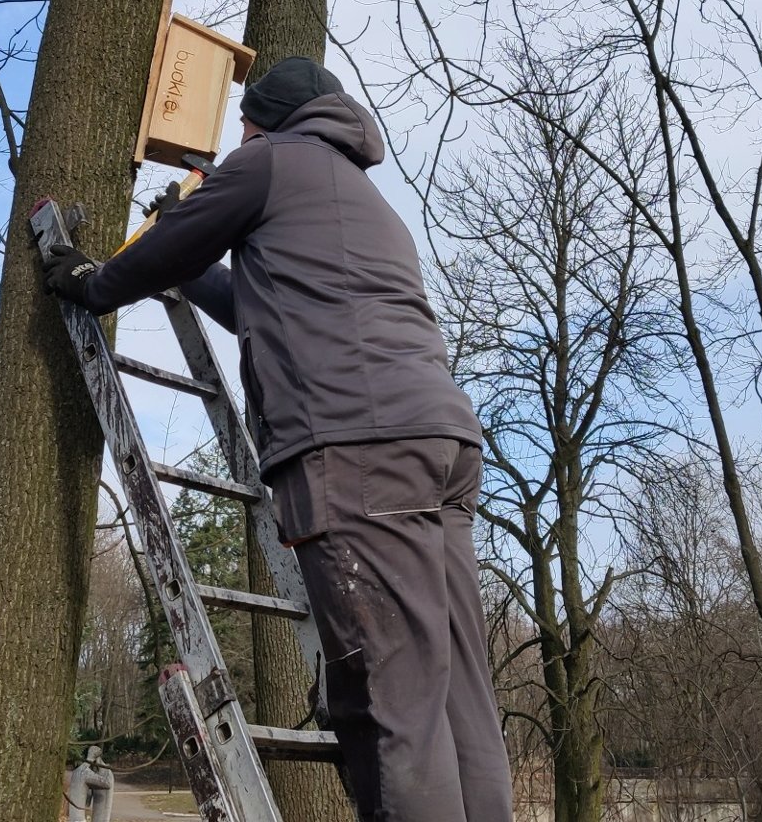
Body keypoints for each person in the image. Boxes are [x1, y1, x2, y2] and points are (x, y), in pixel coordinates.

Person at [43, 56, 513, 822]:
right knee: (459, 693)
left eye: (243, 125)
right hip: (441, 447)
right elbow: (262, 305)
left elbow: (172, 245)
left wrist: (93, 282)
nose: (237, 137)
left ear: (264, 119)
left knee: (394, 699)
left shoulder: (265, 162)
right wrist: (189, 261)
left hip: (358, 451)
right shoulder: (362, 198)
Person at [66, 745, 113, 822]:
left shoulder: (76, 772)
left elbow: (87, 802)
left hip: (73, 817)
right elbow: (107, 783)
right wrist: (104, 767)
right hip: (79, 819)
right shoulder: (84, 772)